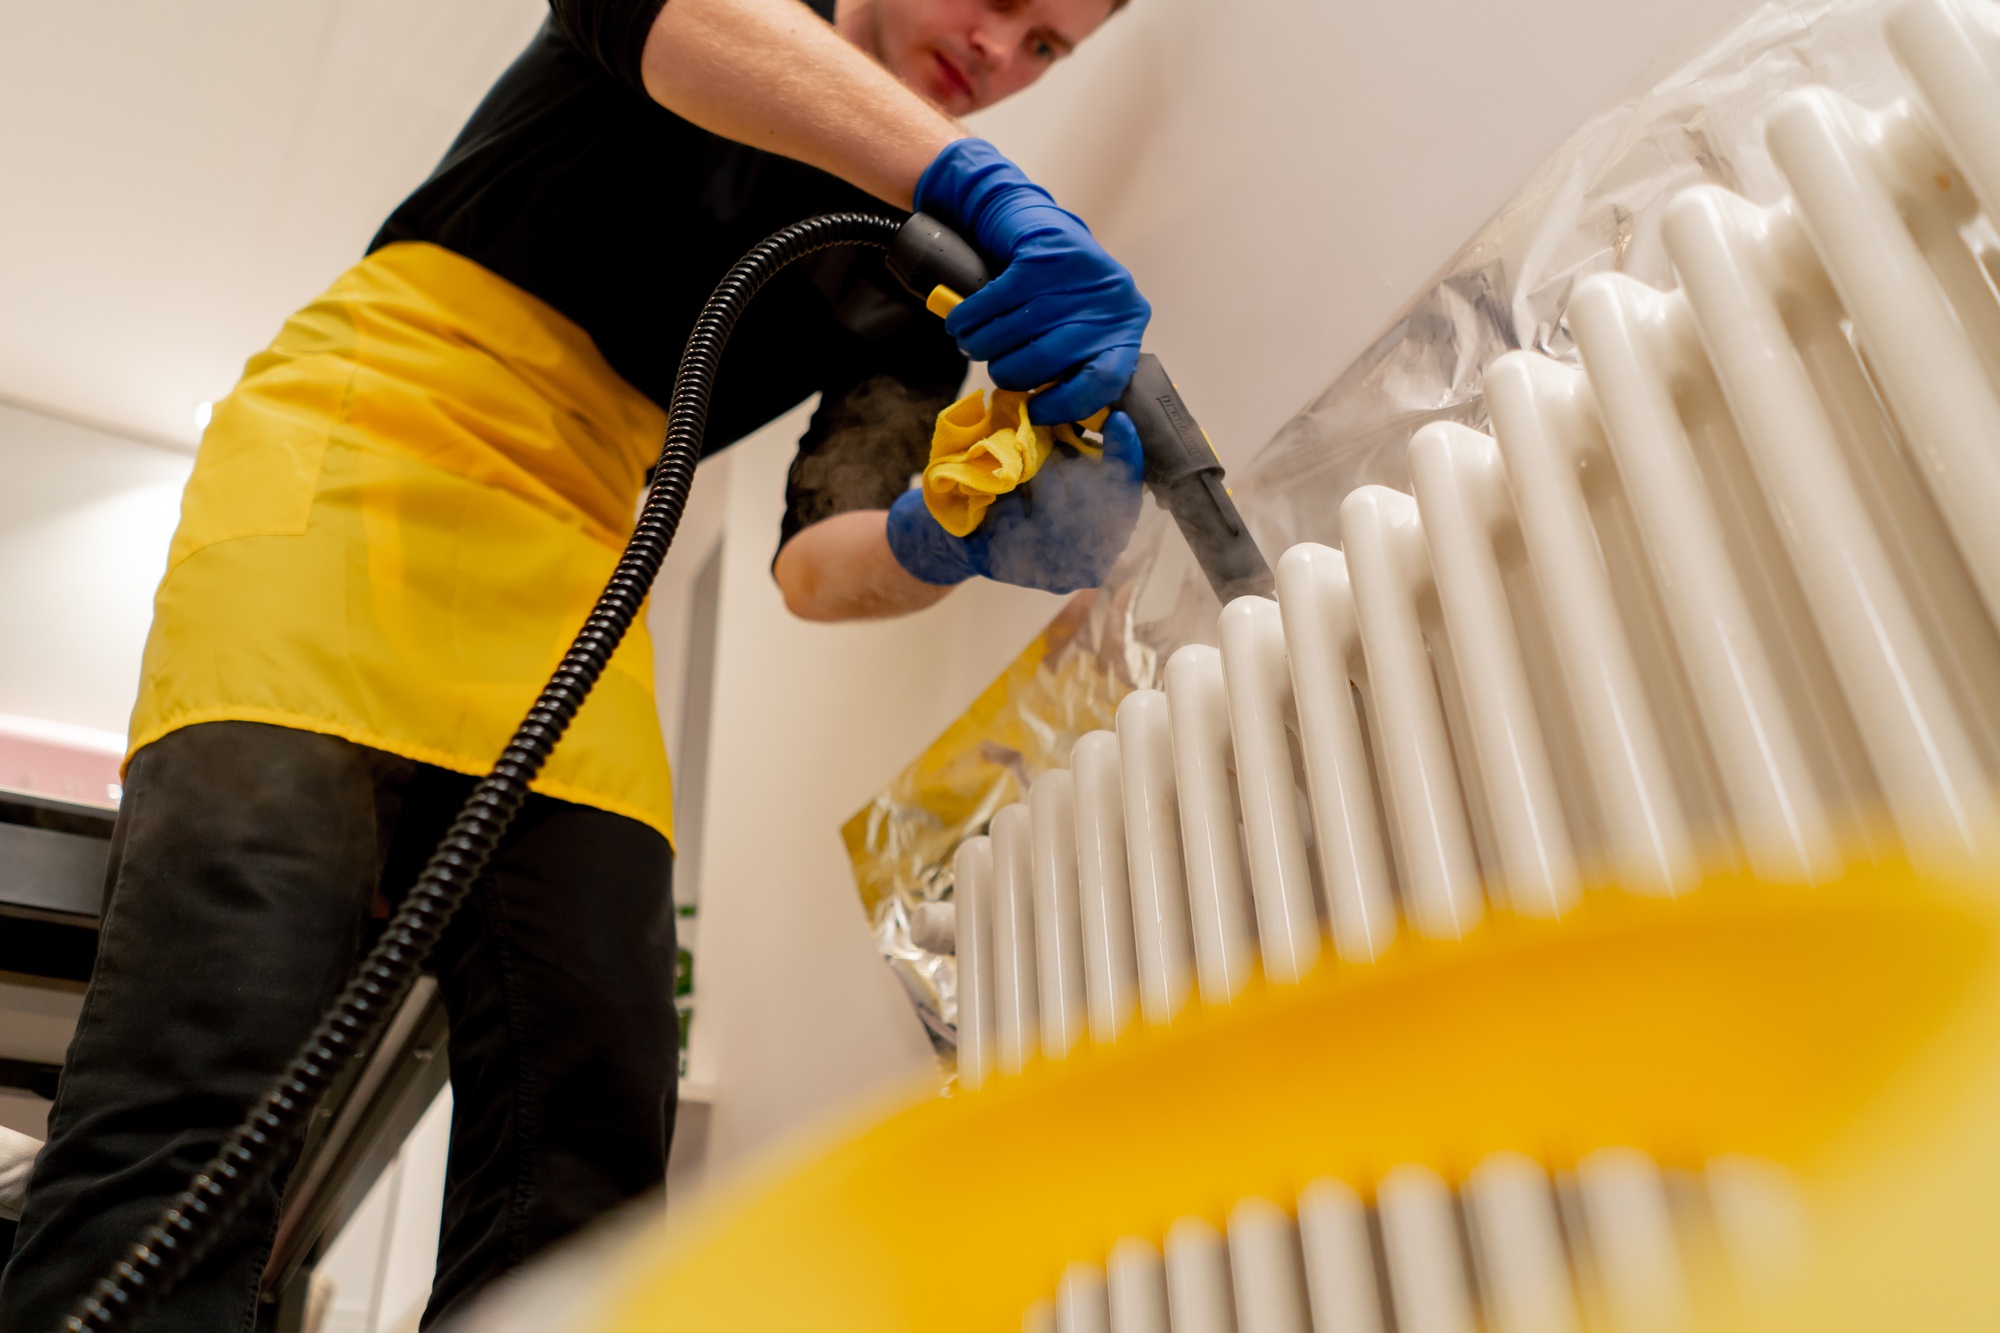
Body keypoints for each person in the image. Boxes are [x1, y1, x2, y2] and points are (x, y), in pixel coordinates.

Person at [0, 0, 1151, 1327]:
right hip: (360, 455)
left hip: (577, 561)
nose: (1002, 56)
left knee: (585, 1155)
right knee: (207, 1064)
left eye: (1053, 47)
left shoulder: (920, 275)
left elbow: (810, 561)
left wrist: (948, 537)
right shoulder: (762, 31)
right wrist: (973, 180)